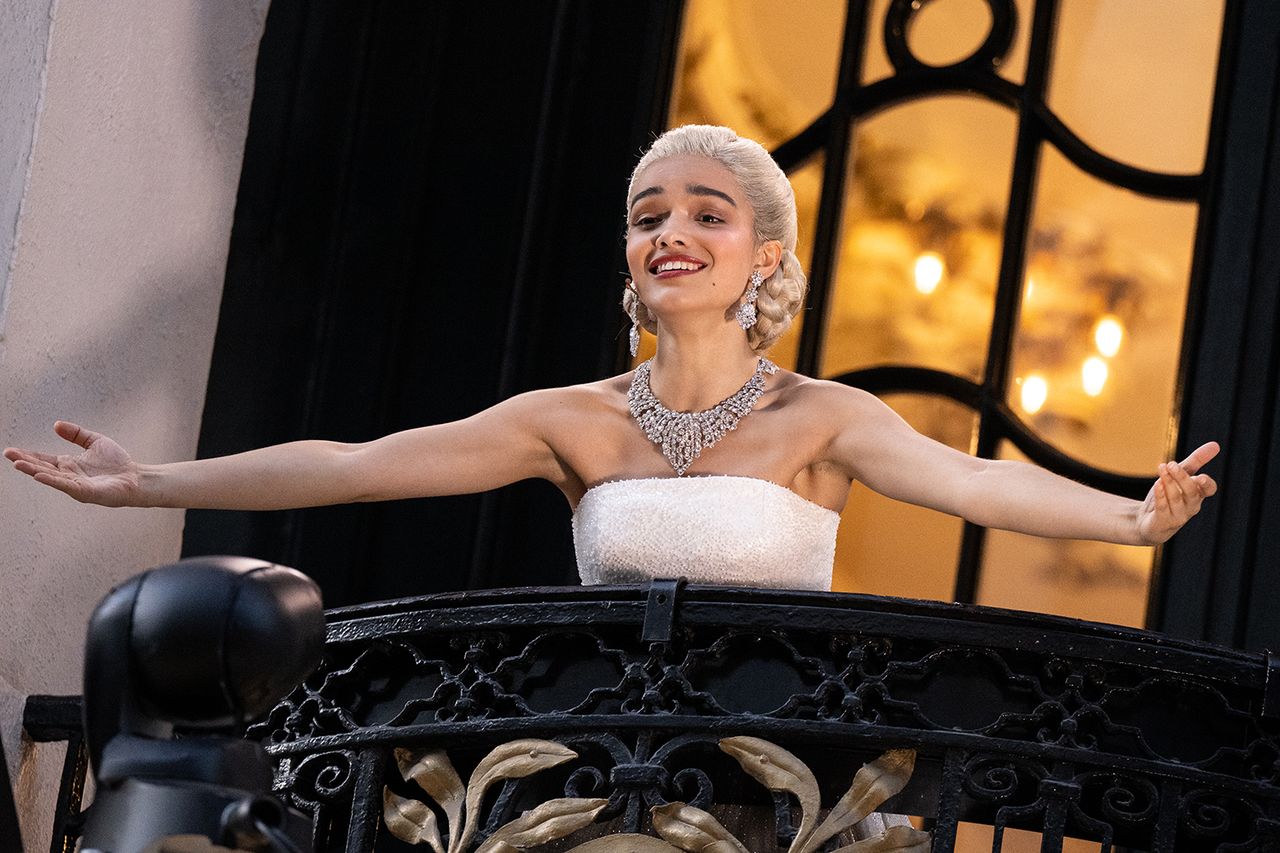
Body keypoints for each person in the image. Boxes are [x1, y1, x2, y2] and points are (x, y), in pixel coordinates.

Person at [3, 124, 1219, 595]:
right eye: (647, 216)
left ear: (762, 255)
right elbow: (358, 463)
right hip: (592, 761)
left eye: (704, 213)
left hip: (772, 769)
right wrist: (151, 480)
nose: (671, 234)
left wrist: (1126, 519)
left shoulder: (824, 420)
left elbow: (973, 482)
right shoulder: (566, 420)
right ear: (627, 255)